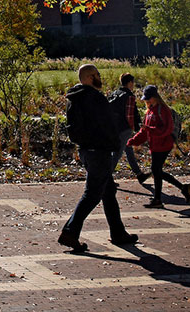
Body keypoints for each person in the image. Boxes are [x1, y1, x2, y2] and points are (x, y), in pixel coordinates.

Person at [58, 64, 138, 253]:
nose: (99, 77)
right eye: (97, 74)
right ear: (89, 77)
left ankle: (118, 232)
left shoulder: (73, 99)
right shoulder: (95, 98)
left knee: (108, 191)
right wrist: (114, 145)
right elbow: (108, 125)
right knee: (92, 194)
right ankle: (70, 232)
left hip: (86, 150)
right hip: (100, 151)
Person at [129, 85, 190, 208]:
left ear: (155, 97)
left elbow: (166, 130)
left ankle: (158, 200)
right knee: (156, 171)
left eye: (149, 98)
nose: (147, 101)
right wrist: (132, 141)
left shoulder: (163, 110)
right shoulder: (150, 111)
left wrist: (150, 130)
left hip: (164, 144)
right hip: (155, 145)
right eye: (146, 99)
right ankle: (182, 188)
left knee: (155, 170)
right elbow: (144, 132)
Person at [106, 73, 150, 183]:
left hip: (114, 127)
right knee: (117, 154)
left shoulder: (114, 93)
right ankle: (105, 179)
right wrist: (134, 128)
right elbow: (130, 114)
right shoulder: (129, 96)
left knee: (128, 150)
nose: (133, 85)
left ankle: (139, 174)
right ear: (130, 83)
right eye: (133, 83)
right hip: (124, 128)